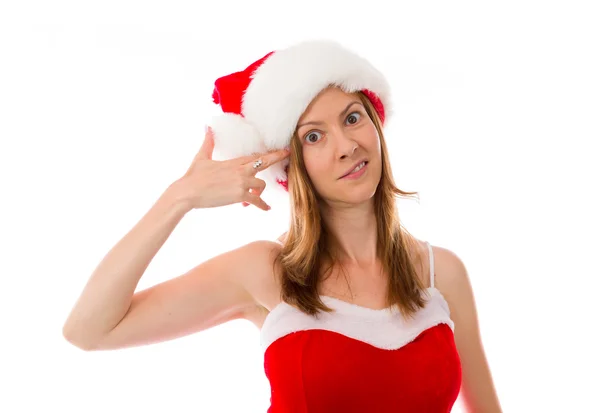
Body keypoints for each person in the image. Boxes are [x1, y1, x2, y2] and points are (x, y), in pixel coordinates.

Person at [62, 40, 502, 412]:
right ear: (290, 164)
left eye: (352, 118)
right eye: (314, 136)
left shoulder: (440, 273)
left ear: (375, 125)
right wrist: (180, 198)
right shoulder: (266, 271)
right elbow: (89, 329)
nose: (347, 146)